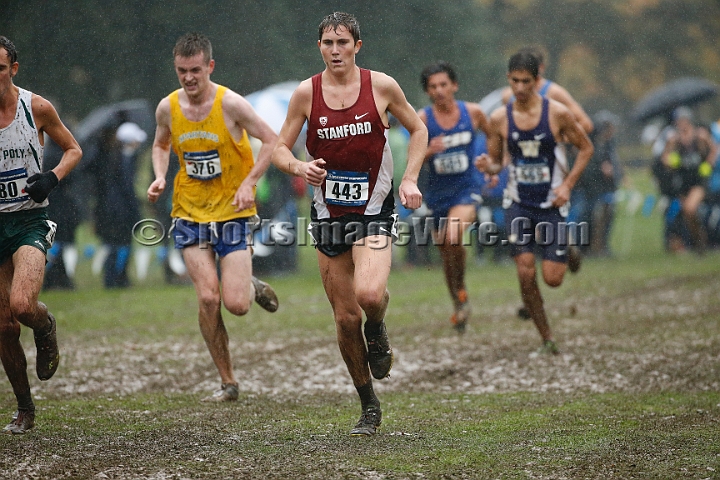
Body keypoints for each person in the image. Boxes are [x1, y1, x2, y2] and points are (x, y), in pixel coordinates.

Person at [271, 12, 427, 435]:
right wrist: (300, 168)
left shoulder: (382, 86)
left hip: (374, 208)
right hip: (328, 215)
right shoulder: (307, 93)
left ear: (358, 45)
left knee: (370, 294)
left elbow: (418, 129)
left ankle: (378, 328)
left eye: (343, 42)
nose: (335, 50)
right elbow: (278, 150)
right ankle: (368, 405)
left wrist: (409, 177)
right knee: (344, 319)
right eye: (327, 43)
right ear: (319, 47)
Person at [147, 33, 280, 402]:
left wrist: (250, 183)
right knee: (208, 297)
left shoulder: (231, 104)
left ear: (210, 66)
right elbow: (160, 143)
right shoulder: (167, 108)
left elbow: (271, 140)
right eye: (181, 71)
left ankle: (248, 285)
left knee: (236, 305)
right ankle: (228, 381)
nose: (188, 78)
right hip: (189, 212)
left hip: (232, 213)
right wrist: (160, 175)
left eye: (195, 70)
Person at [475, 51, 593, 354]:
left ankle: (566, 247)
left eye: (526, 81)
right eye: (514, 81)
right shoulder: (500, 118)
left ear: (537, 81)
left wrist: (567, 185)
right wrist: (487, 167)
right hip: (517, 203)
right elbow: (498, 162)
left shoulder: (557, 113)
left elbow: (586, 148)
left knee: (552, 279)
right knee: (525, 271)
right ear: (508, 79)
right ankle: (546, 336)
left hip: (551, 201)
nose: (520, 88)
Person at [0, 36, 82, 433]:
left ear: (13, 69)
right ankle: (24, 407)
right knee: (2, 327)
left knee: (21, 305)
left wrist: (50, 178)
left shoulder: (36, 107)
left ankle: (45, 327)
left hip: (29, 220)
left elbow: (73, 150)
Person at [417, 61, 489, 332]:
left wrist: (492, 166)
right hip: (437, 196)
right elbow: (409, 158)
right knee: (447, 254)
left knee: (453, 236)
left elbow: (495, 138)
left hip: (466, 189)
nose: (439, 90)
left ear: (454, 85)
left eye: (443, 85)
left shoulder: (473, 113)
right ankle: (459, 300)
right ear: (427, 91)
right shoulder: (423, 120)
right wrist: (427, 151)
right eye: (433, 86)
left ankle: (460, 294)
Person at [95, 121, 145, 288]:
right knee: (123, 245)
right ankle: (117, 278)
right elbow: (127, 189)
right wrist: (135, 211)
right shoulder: (125, 160)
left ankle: (112, 278)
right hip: (122, 211)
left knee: (113, 245)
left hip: (112, 211)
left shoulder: (112, 157)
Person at [660, 107, 716, 253]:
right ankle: (699, 243)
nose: (681, 124)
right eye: (679, 121)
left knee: (691, 209)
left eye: (683, 121)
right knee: (688, 214)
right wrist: (671, 161)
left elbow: (714, 150)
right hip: (683, 181)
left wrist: (708, 165)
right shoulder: (674, 140)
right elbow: (664, 157)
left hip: (698, 180)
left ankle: (701, 242)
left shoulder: (700, 137)